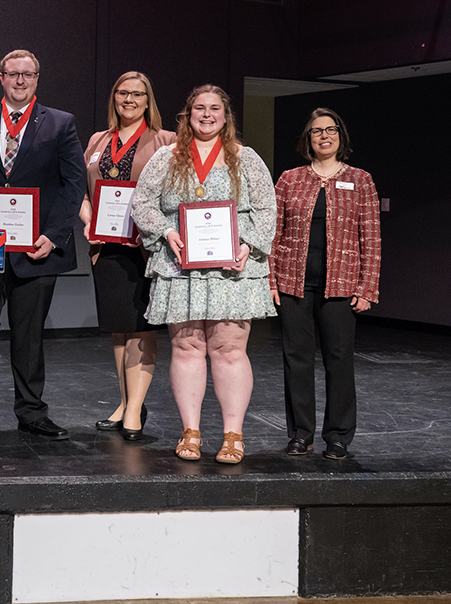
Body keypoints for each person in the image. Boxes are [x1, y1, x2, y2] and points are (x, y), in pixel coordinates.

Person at [130, 84, 276, 464]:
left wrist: (248, 245)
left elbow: (267, 210)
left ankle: (233, 435)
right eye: (199, 108)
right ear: (188, 114)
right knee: (187, 346)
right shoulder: (166, 157)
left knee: (229, 349)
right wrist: (167, 232)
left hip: (233, 268)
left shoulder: (247, 159)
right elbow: (142, 203)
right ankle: (191, 432)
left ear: (226, 116)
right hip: (181, 265)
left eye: (214, 109)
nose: (206, 114)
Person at [0, 49, 85, 440]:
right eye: (12, 74)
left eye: (27, 75)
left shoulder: (61, 124)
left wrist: (54, 235)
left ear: (37, 79)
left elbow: (73, 184)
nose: (19, 81)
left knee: (29, 337)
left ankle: (31, 412)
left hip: (37, 249)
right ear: (0, 77)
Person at [269, 108, 380, 460]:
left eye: (330, 130)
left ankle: (338, 436)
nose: (324, 136)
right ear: (308, 139)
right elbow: (273, 233)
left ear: (340, 136)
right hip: (293, 283)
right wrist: (270, 279)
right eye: (317, 131)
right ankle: (301, 434)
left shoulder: (360, 180)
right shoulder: (289, 179)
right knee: (296, 360)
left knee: (339, 360)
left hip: (341, 286)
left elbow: (372, 239)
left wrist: (367, 288)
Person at [79, 72, 175, 441]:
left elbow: (175, 197)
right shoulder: (98, 141)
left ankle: (135, 410)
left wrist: (153, 228)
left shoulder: (166, 142)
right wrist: (89, 222)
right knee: (119, 331)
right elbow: (83, 193)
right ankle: (124, 401)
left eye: (137, 94)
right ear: (114, 98)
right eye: (123, 93)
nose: (129, 100)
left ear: (148, 100)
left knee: (140, 328)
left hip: (144, 249)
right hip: (105, 248)